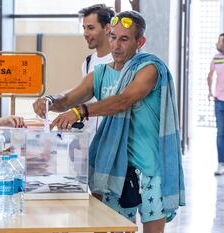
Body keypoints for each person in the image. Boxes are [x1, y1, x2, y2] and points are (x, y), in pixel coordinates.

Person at [33, 11, 185, 233]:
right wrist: (48, 100)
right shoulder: (100, 74)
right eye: (113, 37)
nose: (116, 45)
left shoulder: (149, 69)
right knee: (112, 228)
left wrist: (80, 111)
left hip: (152, 170)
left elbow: (122, 101)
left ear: (140, 42)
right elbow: (66, 99)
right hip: (117, 169)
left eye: (124, 39)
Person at [50, 4, 114, 143]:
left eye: (91, 28)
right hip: (89, 141)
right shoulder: (88, 61)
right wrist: (52, 100)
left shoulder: (119, 62)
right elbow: (82, 94)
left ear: (107, 28)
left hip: (112, 141)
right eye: (84, 28)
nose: (85, 33)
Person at [207, 33, 224, 175]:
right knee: (221, 133)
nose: (219, 44)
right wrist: (210, 91)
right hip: (219, 101)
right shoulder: (217, 59)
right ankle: (221, 164)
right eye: (219, 42)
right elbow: (210, 75)